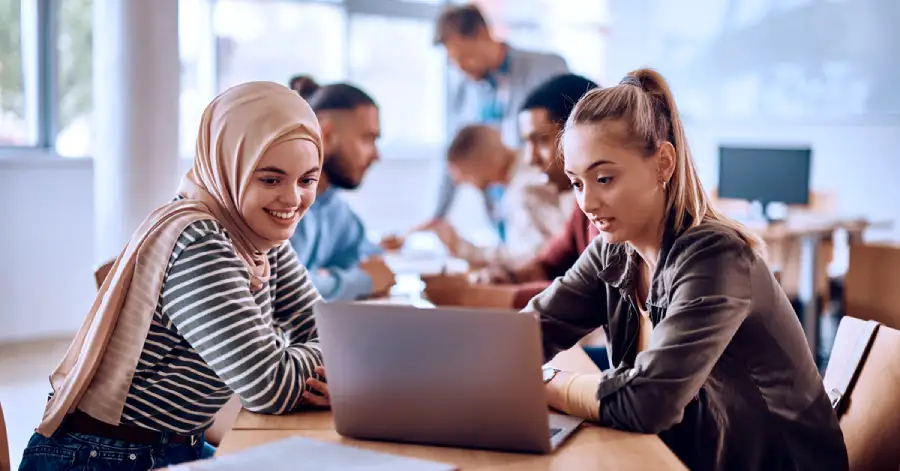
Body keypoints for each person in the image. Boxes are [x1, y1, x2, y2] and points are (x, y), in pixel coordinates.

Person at [531, 69, 848, 471]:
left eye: (604, 178)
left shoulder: (716, 258)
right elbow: (527, 336)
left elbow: (648, 403)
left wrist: (546, 383)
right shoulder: (613, 252)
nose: (587, 203)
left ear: (663, 164)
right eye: (577, 183)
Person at [20, 82, 331, 470]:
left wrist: (317, 359)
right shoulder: (199, 240)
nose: (292, 199)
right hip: (103, 456)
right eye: (270, 179)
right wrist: (328, 363)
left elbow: (328, 332)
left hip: (170, 446)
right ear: (227, 166)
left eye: (306, 180)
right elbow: (268, 385)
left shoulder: (256, 234)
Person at [428, 3, 569, 228]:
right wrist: (437, 216)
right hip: (501, 212)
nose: (461, 68)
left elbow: (570, 133)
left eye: (465, 57)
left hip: (546, 205)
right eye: (454, 62)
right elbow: (456, 154)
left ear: (483, 35)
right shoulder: (465, 92)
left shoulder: (544, 67)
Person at [470, 73, 600, 285]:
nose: (530, 159)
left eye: (541, 140)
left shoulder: (608, 212)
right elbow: (545, 265)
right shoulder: (581, 211)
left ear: (583, 136)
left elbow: (590, 297)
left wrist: (472, 296)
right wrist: (505, 276)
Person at [289, 83, 395, 301]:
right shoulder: (281, 203)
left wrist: (337, 278)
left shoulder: (333, 206)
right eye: (367, 139)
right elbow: (286, 288)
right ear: (326, 135)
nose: (376, 156)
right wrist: (361, 282)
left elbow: (369, 260)